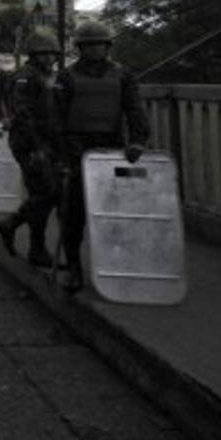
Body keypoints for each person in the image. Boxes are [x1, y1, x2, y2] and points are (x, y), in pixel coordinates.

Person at [54, 21, 149, 293]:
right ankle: (74, 268)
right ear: (81, 48)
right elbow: (56, 118)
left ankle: (116, 265)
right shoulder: (66, 77)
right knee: (73, 213)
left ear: (107, 47)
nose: (96, 50)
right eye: (90, 45)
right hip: (76, 149)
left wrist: (139, 140)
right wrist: (62, 156)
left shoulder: (123, 75)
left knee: (113, 210)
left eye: (100, 45)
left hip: (112, 148)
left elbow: (134, 109)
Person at [0, 30, 62, 267]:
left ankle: (35, 247)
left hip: (49, 143)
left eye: (52, 53)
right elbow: (22, 114)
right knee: (47, 193)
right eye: (44, 53)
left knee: (44, 194)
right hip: (30, 144)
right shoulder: (25, 76)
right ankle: (13, 226)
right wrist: (37, 148)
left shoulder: (51, 76)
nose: (49, 58)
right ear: (33, 54)